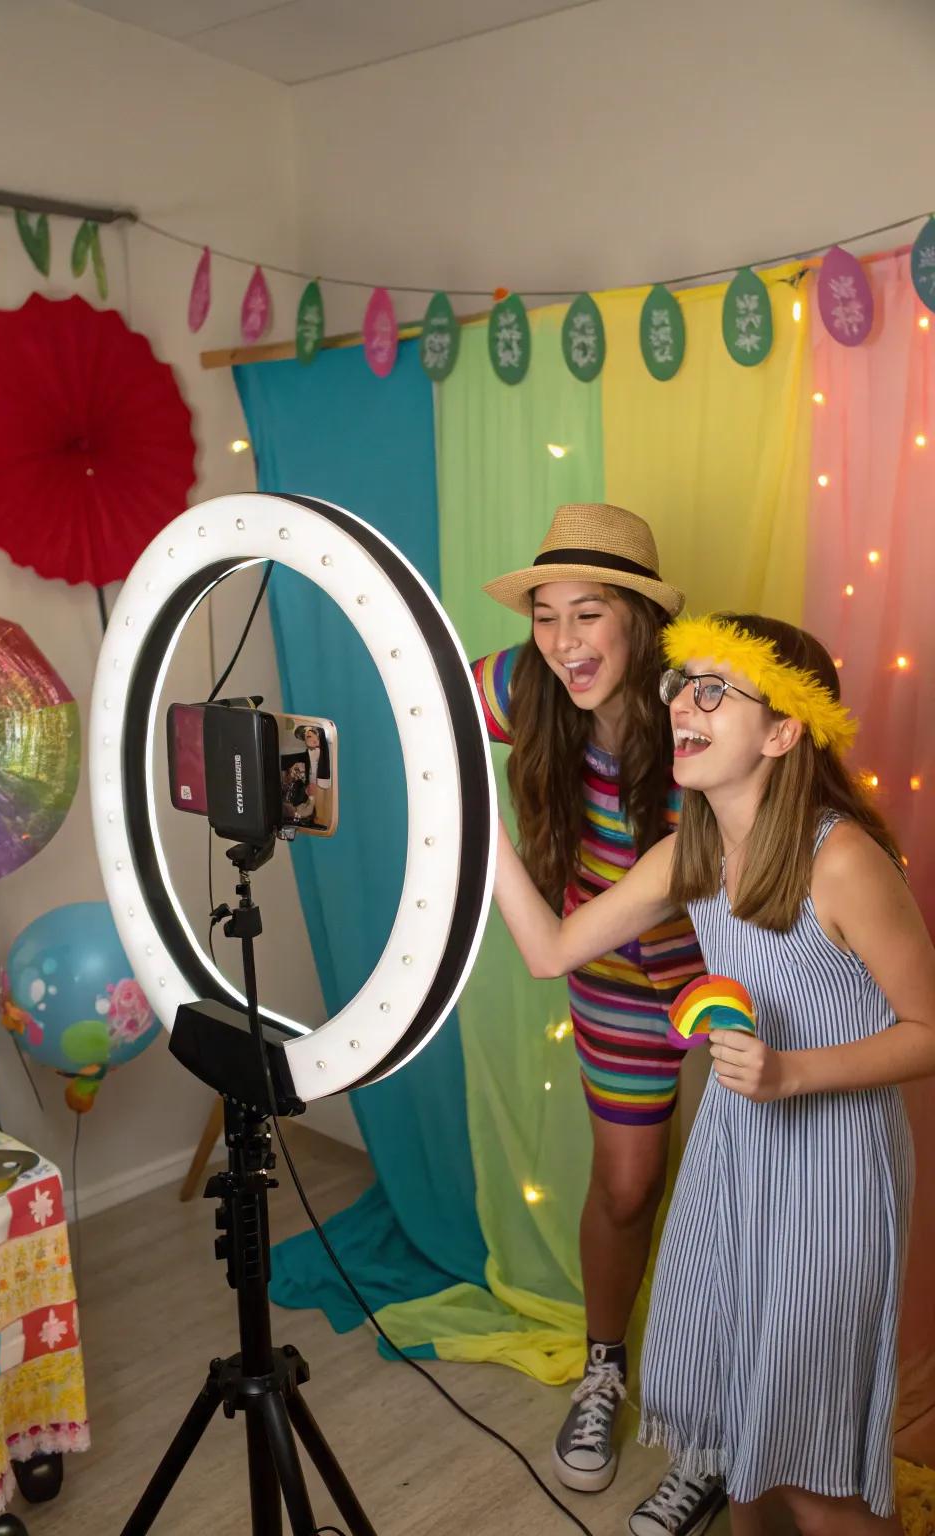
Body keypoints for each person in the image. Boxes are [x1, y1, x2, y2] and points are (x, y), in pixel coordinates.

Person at [493, 611, 935, 1536]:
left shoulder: (841, 860)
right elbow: (553, 951)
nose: (680, 704)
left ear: (782, 732)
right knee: (744, 1435)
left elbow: (930, 1031)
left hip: (832, 1171)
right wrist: (466, 817)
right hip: (736, 1155)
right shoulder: (690, 853)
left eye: (712, 689)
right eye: (678, 684)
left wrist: (792, 1075)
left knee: (814, 1476)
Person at [476, 503, 719, 1527]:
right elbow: (417, 697)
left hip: (727, 989)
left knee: (725, 1212)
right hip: (608, 984)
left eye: (589, 614)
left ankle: (713, 1430)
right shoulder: (523, 684)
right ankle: (603, 1372)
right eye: (545, 615)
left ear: (639, 620)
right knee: (625, 1192)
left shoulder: (699, 708)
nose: (564, 642)